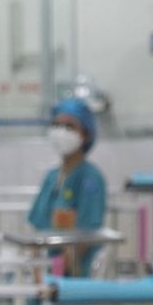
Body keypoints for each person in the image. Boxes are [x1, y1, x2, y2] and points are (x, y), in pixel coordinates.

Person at [27, 96, 108, 277]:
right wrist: (37, 270)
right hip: (47, 268)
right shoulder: (51, 177)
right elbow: (37, 229)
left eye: (69, 127)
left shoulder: (91, 179)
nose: (61, 132)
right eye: (56, 125)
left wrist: (58, 272)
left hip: (77, 272)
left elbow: (85, 236)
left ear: (85, 134)